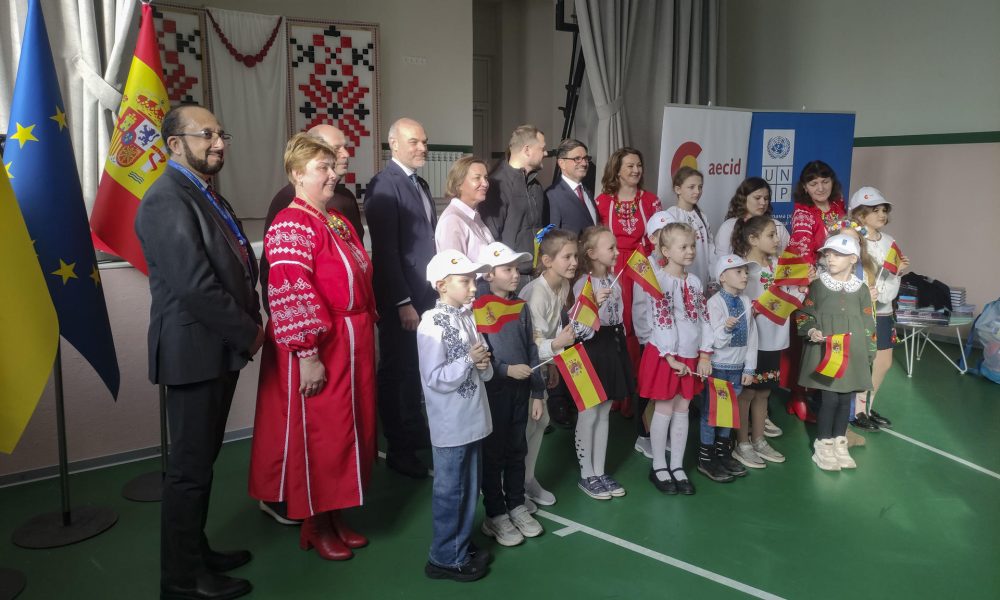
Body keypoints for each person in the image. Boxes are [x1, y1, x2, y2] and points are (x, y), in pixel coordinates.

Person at [135, 104, 263, 600]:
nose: (218, 142)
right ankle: (182, 581)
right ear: (173, 145)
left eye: (220, 132)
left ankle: (197, 551)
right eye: (205, 134)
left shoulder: (201, 192)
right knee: (188, 473)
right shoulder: (165, 198)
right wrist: (250, 332)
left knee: (201, 464)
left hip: (213, 349)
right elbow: (196, 287)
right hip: (194, 352)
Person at [247, 133, 377, 561]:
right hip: (322, 345)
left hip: (351, 341)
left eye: (332, 167)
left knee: (348, 430)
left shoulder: (333, 219)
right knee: (321, 435)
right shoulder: (290, 222)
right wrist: (308, 355)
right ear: (297, 174)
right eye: (323, 168)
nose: (333, 174)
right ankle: (314, 524)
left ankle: (337, 515)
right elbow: (288, 288)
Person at [364, 117, 437, 478]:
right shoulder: (384, 185)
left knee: (416, 371)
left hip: (425, 295)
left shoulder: (418, 182)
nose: (422, 147)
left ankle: (414, 432)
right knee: (398, 372)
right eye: (413, 142)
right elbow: (387, 252)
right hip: (402, 300)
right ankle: (398, 448)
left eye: (423, 141)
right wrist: (402, 302)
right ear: (393, 144)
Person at [417, 249, 493, 582]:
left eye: (473, 280)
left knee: (468, 485)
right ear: (441, 284)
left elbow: (477, 368)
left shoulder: (466, 315)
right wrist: (467, 361)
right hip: (451, 420)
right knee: (452, 489)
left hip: (471, 414)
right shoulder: (431, 323)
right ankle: (445, 557)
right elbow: (433, 377)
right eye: (465, 281)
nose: (473, 287)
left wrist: (482, 363)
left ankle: (460, 544)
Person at [476, 242, 546, 547]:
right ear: (490, 274)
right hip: (495, 393)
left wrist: (538, 391)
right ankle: (495, 514)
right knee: (494, 455)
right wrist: (506, 370)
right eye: (508, 269)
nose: (516, 274)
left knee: (518, 450)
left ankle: (516, 505)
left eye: (517, 269)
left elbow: (532, 349)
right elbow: (483, 354)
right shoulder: (478, 308)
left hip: (521, 393)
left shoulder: (521, 306)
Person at [637, 223, 713, 495]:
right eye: (683, 247)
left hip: (691, 357)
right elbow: (660, 319)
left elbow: (704, 318)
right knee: (665, 409)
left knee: (683, 409)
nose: (690, 251)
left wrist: (705, 352)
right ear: (666, 251)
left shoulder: (694, 282)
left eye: (692, 245)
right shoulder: (659, 280)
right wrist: (669, 357)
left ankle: (677, 465)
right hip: (666, 356)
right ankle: (659, 465)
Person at [259, 124, 363, 317]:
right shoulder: (288, 205)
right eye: (336, 148)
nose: (345, 154)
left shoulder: (344, 199)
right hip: (321, 330)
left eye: (345, 146)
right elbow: (279, 277)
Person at [795, 234, 877, 471]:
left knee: (845, 399)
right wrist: (810, 331)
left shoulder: (860, 288)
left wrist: (869, 353)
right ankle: (823, 444)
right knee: (829, 398)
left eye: (837, 254)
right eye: (828, 254)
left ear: (853, 259)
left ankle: (840, 442)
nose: (830, 258)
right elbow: (804, 313)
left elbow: (867, 322)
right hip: (826, 352)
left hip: (853, 353)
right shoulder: (818, 285)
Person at [733, 216, 807, 468]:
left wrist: (806, 282)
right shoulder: (744, 268)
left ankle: (759, 439)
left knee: (764, 391)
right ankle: (741, 443)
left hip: (775, 339)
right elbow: (739, 305)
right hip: (754, 341)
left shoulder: (780, 265)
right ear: (753, 239)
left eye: (776, 235)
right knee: (747, 393)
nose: (777, 240)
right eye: (771, 235)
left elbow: (792, 293)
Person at [594, 147, 662, 414]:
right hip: (611, 266)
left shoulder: (651, 201)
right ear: (617, 169)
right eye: (630, 166)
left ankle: (636, 390)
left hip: (641, 265)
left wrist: (643, 261)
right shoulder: (603, 202)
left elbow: (657, 238)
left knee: (637, 324)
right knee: (613, 323)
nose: (636, 170)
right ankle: (614, 389)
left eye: (639, 165)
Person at [519, 228, 579, 508]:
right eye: (567, 257)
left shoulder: (563, 285)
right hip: (524, 369)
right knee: (526, 426)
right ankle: (516, 487)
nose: (574, 262)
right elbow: (532, 345)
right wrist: (557, 345)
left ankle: (528, 479)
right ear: (547, 261)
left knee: (541, 422)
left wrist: (553, 362)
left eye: (575, 256)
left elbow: (552, 333)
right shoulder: (536, 294)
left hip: (542, 364)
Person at [571, 226, 632, 499]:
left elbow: (618, 317)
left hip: (613, 345)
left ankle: (600, 469)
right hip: (592, 349)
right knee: (590, 411)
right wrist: (593, 304)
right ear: (592, 253)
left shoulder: (614, 280)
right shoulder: (582, 284)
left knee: (606, 409)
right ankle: (586, 474)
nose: (617, 252)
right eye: (611, 248)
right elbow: (579, 329)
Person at [785, 160, 848, 421]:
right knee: (810, 341)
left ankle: (827, 394)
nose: (820, 187)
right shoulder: (803, 214)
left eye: (825, 181)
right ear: (805, 187)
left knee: (835, 338)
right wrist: (812, 277)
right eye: (813, 183)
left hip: (842, 285)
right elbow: (800, 251)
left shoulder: (839, 209)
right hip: (816, 287)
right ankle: (798, 396)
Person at [850, 187, 908, 431]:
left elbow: (893, 273)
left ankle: (867, 408)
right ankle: (857, 411)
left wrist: (892, 281)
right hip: (861, 310)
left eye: (884, 209)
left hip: (883, 310)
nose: (882, 214)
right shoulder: (852, 239)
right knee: (862, 362)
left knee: (883, 362)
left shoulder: (889, 241)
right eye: (875, 210)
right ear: (860, 215)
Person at [699, 254, 757, 483]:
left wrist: (749, 368)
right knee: (711, 413)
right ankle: (706, 457)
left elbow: (753, 337)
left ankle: (722, 452)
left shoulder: (746, 301)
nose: (745, 276)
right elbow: (713, 340)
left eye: (746, 272)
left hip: (737, 367)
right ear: (722, 277)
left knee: (728, 413)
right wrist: (726, 329)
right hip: (718, 368)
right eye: (739, 272)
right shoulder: (714, 303)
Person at [481, 125, 548, 285]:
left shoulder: (536, 185)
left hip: (538, 275)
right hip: (512, 280)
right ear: (527, 150)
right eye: (542, 148)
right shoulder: (497, 184)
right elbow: (491, 238)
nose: (546, 153)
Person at [631, 211, 671, 459]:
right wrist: (646, 338)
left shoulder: (674, 267)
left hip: (670, 341)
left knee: (664, 389)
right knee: (648, 389)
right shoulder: (646, 267)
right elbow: (640, 307)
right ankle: (642, 436)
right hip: (652, 341)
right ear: (653, 238)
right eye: (663, 235)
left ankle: (658, 432)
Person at [714, 177, 790, 259]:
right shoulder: (728, 227)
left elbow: (789, 258)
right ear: (743, 198)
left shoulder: (777, 226)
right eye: (757, 198)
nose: (763, 202)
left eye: (766, 198)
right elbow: (721, 262)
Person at [435, 156, 495, 256]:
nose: (485, 183)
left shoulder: (473, 215)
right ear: (459, 184)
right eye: (477, 178)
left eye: (485, 178)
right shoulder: (452, 221)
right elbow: (454, 269)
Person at [665, 167, 715, 286]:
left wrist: (712, 277)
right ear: (678, 189)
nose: (697, 191)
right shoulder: (671, 215)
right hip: (679, 280)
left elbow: (710, 249)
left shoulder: (702, 216)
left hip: (701, 277)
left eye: (700, 187)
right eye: (691, 187)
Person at [546, 139, 597, 233]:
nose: (584, 163)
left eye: (586, 158)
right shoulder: (552, 195)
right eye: (577, 159)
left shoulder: (587, 191)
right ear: (562, 163)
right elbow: (552, 238)